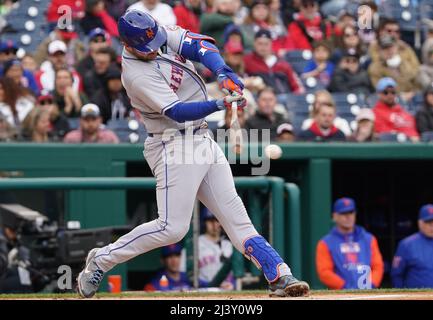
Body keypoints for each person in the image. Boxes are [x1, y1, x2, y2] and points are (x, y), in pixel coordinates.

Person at [77, 10, 309, 299]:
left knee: (237, 217)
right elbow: (177, 112)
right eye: (148, 47)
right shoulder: (135, 74)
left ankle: (279, 274)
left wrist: (223, 71)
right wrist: (220, 103)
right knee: (172, 228)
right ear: (128, 44)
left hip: (202, 139)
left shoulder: (154, 33)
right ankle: (101, 259)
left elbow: (200, 46)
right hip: (171, 143)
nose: (156, 48)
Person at [316, 197, 384, 289]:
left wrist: (371, 285)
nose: (348, 217)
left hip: (367, 293)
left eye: (351, 212)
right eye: (343, 213)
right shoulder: (325, 243)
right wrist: (345, 287)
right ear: (334, 216)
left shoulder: (369, 239)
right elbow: (324, 272)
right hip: (340, 295)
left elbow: (378, 266)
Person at [244, 29, 304, 95]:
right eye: (260, 44)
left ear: (271, 44)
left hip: (285, 97)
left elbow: (297, 86)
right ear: (254, 43)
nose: (263, 47)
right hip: (261, 100)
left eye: (266, 44)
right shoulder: (247, 61)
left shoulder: (282, 63)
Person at [391, 204, 433, 289]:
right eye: (428, 222)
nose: (432, 226)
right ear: (420, 223)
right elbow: (396, 275)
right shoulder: (406, 244)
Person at [368, 36, 420, 102]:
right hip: (392, 99)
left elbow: (415, 77)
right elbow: (380, 88)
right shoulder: (375, 67)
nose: (389, 50)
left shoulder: (404, 61)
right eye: (385, 48)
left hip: (413, 96)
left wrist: (413, 93)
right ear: (380, 51)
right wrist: (400, 96)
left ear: (396, 47)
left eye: (391, 47)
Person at [372, 77, 419, 142]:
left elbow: (414, 131)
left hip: (415, 146)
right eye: (386, 92)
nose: (390, 95)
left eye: (393, 92)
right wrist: (408, 137)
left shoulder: (403, 111)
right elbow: (385, 135)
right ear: (379, 94)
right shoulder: (375, 113)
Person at [198, 209, 234, 289]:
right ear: (204, 223)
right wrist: (208, 284)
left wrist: (231, 283)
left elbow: (235, 271)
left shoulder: (228, 245)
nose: (214, 224)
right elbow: (187, 275)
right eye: (210, 221)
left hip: (227, 290)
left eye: (217, 220)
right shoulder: (196, 244)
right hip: (204, 291)